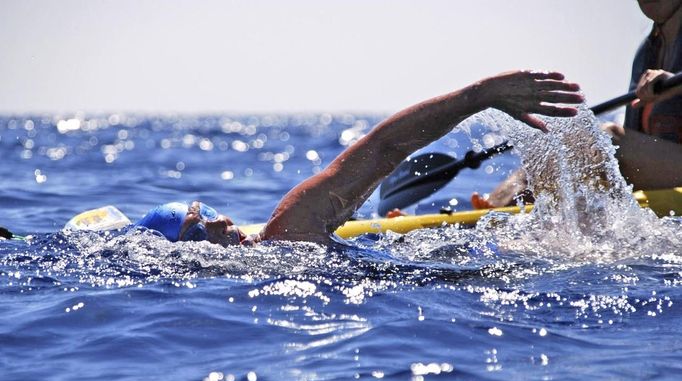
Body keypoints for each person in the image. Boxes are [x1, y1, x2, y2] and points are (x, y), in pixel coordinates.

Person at [137, 71, 582, 246]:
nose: (215, 221)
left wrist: (477, 97)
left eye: (208, 211)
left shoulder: (289, 225)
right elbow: (383, 150)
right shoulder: (285, 240)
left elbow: (384, 150)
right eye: (196, 229)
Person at [472, 0, 682, 209]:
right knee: (557, 143)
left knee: (605, 139)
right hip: (662, 171)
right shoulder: (646, 52)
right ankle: (493, 209)